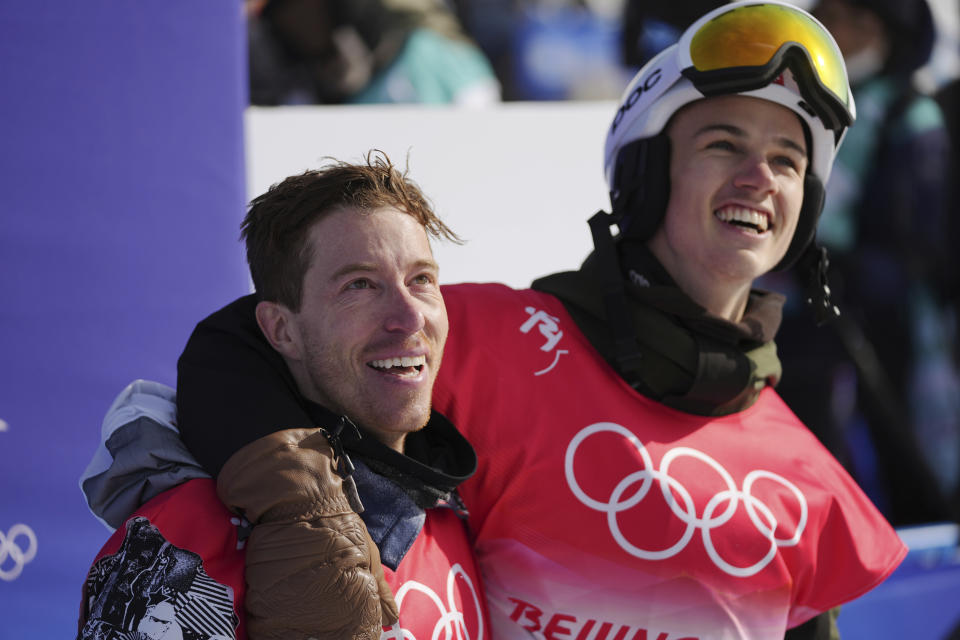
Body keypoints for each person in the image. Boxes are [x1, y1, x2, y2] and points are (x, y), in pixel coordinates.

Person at [166, 2, 908, 638]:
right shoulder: (487, 340)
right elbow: (239, 347)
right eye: (724, 144)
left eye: (787, 160)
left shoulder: (808, 477)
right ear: (644, 174)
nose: (759, 179)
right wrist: (304, 518)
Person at [77, 152, 488, 639]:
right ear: (281, 330)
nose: (409, 316)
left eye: (421, 280)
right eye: (360, 285)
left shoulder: (447, 512)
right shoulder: (183, 538)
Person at [767, 0, 959, 526]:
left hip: (878, 330)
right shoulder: (805, 109)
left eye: (858, 20)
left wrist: (841, 267)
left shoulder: (907, 117)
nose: (839, 30)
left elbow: (921, 247)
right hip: (796, 316)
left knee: (878, 465)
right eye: (831, 15)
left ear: (888, 36)